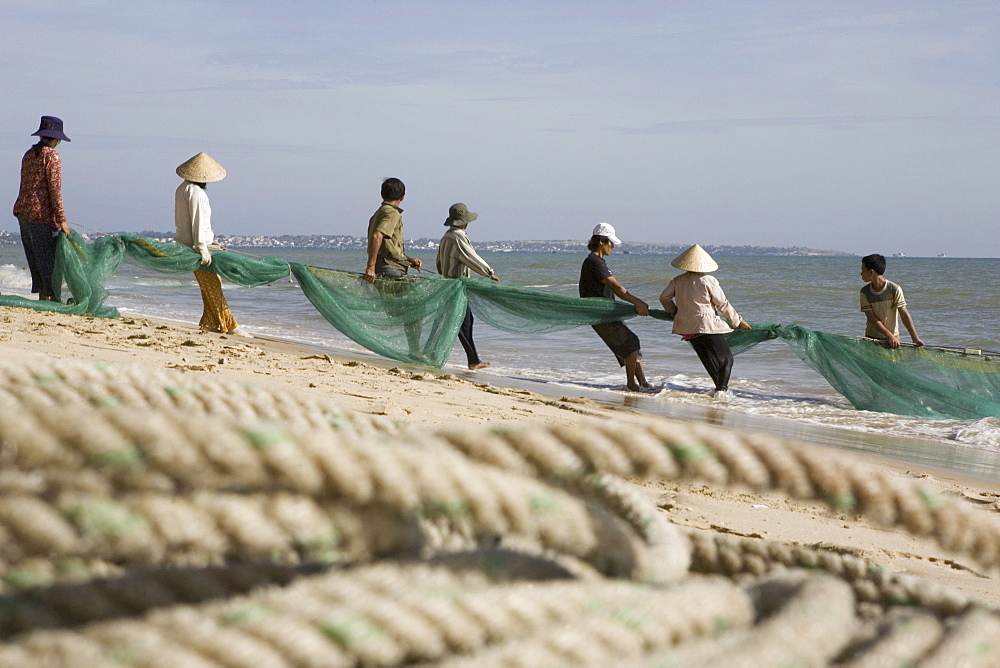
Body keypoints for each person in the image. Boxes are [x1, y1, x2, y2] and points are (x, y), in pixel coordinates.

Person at [174, 152, 251, 338]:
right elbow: (198, 222)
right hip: (198, 248)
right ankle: (230, 325)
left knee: (209, 285)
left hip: (187, 245)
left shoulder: (182, 188)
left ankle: (209, 323)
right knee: (213, 285)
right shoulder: (197, 193)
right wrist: (202, 249)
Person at [659, 244, 751, 396]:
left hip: (688, 329)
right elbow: (722, 303)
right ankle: (721, 392)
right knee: (727, 360)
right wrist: (737, 321)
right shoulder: (708, 280)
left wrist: (674, 312)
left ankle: (719, 392)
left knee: (709, 362)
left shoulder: (677, 280)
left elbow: (664, 298)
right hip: (706, 325)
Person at [579, 222, 652, 392]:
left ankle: (643, 383)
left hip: (608, 314)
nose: (613, 246)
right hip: (602, 315)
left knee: (631, 348)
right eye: (611, 242)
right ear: (602, 242)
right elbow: (617, 288)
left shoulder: (596, 261)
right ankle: (631, 384)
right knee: (631, 344)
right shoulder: (595, 262)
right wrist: (637, 302)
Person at [13, 115, 72, 301]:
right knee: (50, 262)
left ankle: (43, 298)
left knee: (36, 260)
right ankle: (52, 299)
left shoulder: (29, 155)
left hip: (23, 212)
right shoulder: (52, 156)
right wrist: (62, 219)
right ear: (55, 138)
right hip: (41, 215)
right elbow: (54, 189)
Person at [436, 203, 498, 370]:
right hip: (457, 287)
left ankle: (473, 359)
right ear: (464, 222)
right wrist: (489, 273)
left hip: (448, 285)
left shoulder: (446, 237)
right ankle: (473, 361)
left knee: (461, 322)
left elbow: (439, 263)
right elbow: (471, 257)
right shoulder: (458, 237)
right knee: (464, 322)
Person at [364, 177, 421, 283]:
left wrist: (409, 260)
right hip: (391, 270)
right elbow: (377, 235)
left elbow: (388, 247)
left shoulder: (379, 213)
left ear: (382, 194)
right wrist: (370, 267)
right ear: (403, 197)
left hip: (385, 267)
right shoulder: (392, 213)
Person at [860, 253, 923, 348]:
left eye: (863, 270)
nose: (861, 273)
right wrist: (888, 335)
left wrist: (915, 338)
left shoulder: (894, 289)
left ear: (871, 272)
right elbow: (871, 318)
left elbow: (904, 314)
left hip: (894, 339)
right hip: (872, 338)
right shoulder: (864, 292)